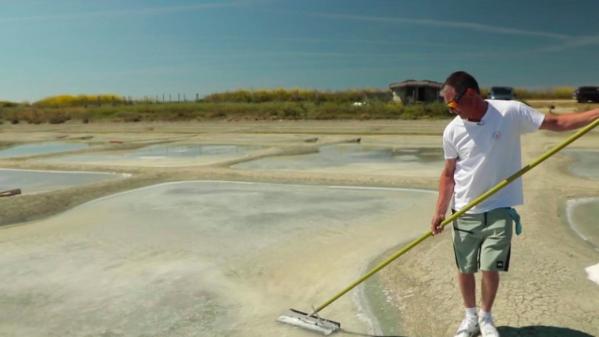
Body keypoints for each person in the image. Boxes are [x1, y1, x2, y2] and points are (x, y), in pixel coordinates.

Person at [430, 71, 599, 337]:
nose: (451, 111)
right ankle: (470, 317)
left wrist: (595, 114)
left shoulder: (510, 112)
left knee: (489, 267)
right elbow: (448, 175)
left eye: (452, 104)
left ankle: (485, 317)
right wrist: (439, 211)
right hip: (463, 210)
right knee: (465, 268)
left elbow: (557, 122)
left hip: (499, 207)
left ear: (471, 94)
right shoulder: (452, 130)